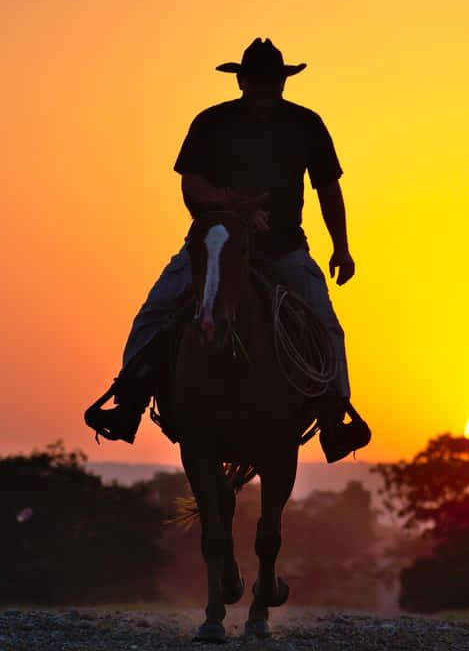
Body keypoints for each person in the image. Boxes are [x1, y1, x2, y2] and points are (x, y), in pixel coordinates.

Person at [84, 38, 370, 461]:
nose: (265, 90)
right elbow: (191, 186)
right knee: (157, 311)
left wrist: (341, 248)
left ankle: (334, 418)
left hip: (284, 248)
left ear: (283, 83)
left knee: (326, 323)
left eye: (273, 82)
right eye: (257, 82)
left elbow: (328, 187)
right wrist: (234, 205)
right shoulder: (211, 123)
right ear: (241, 81)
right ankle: (129, 402)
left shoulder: (307, 124)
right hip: (215, 242)